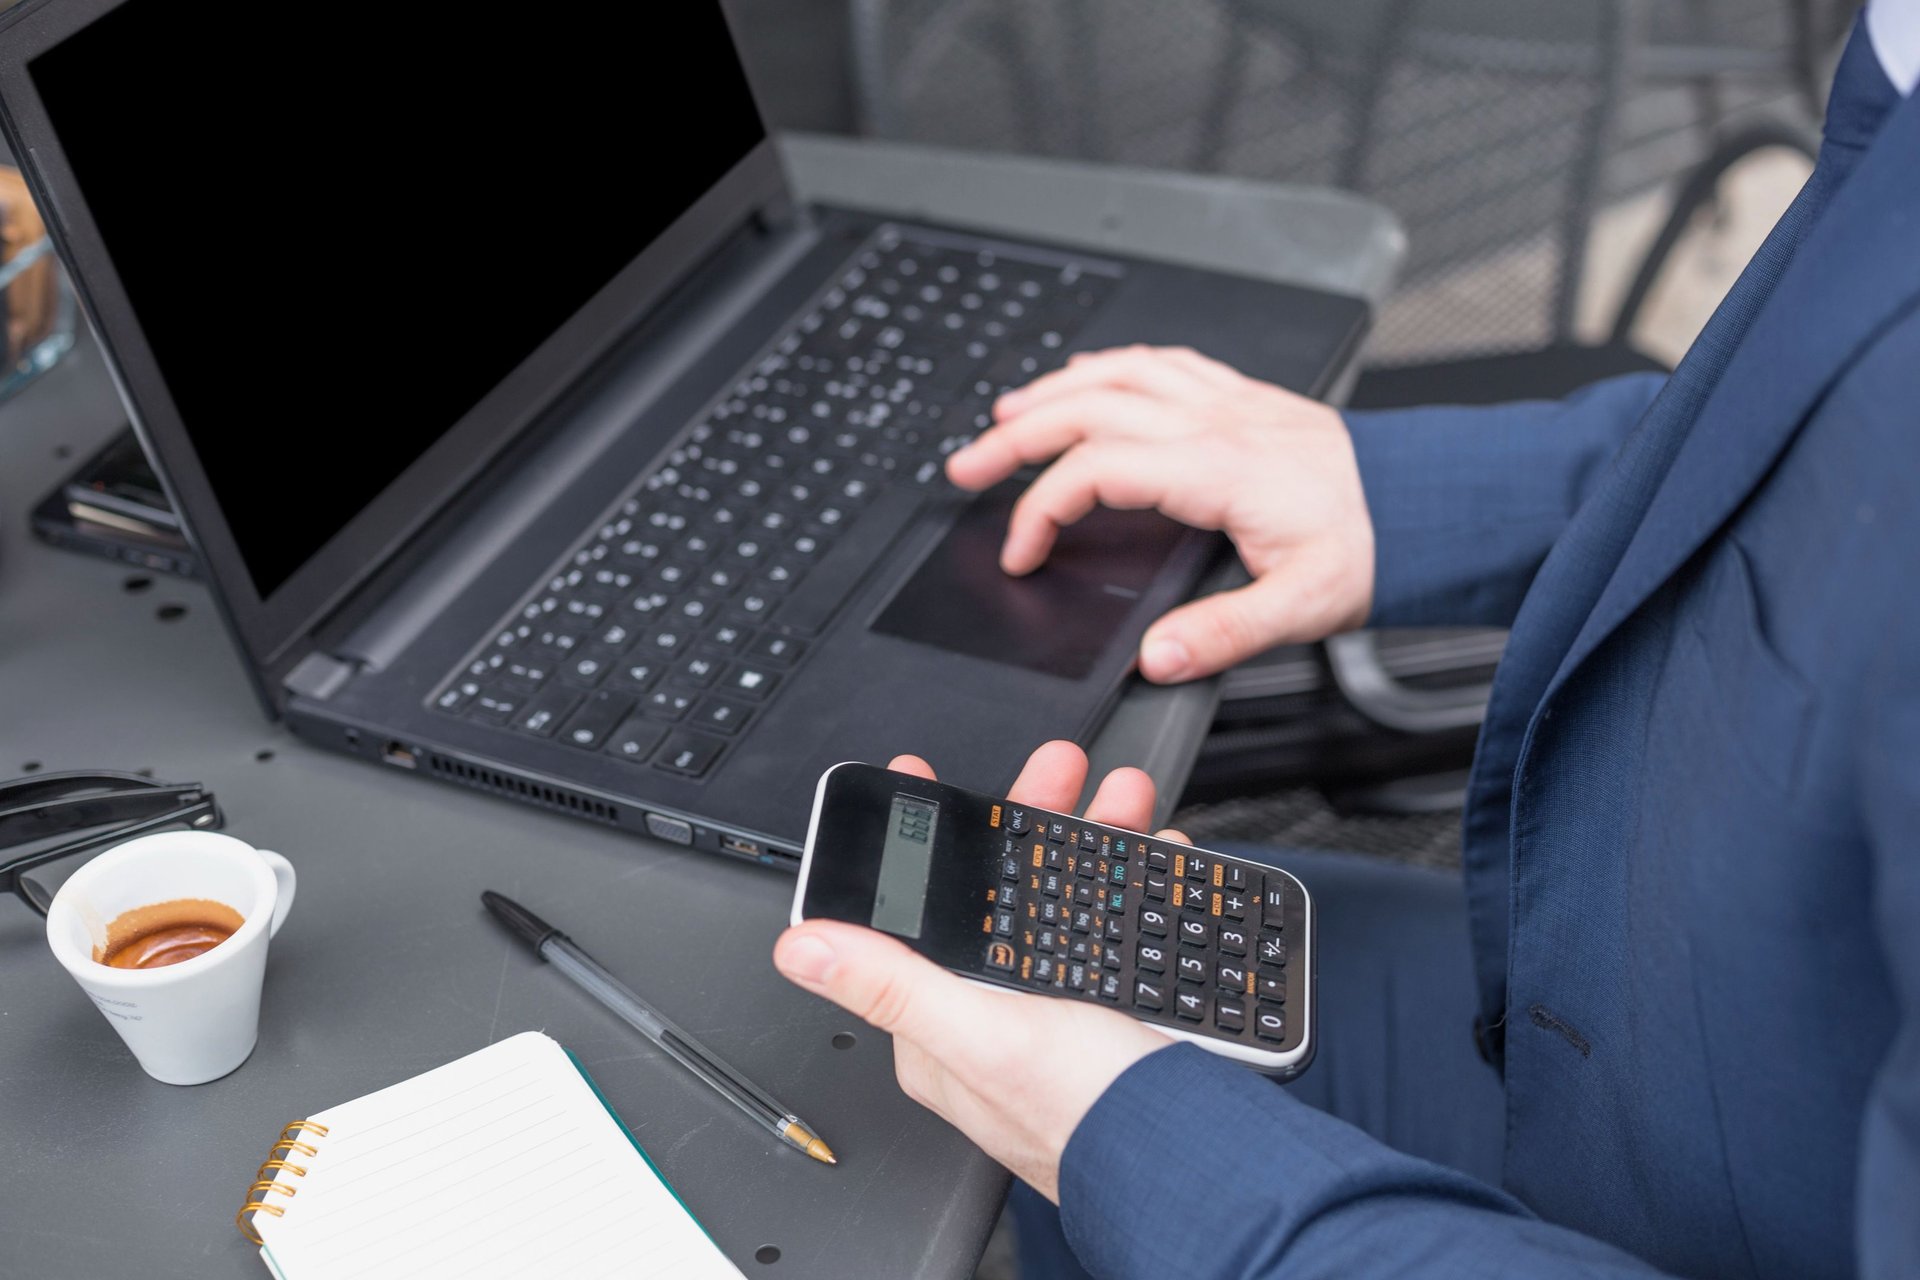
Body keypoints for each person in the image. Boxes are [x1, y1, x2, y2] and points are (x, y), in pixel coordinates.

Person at [774, 7, 1920, 1277]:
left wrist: (1131, 1144)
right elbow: (1820, 458)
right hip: (1679, 1006)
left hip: (1738, 1197)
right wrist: (1409, 490)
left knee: (1039, 1085)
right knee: (1077, 1018)